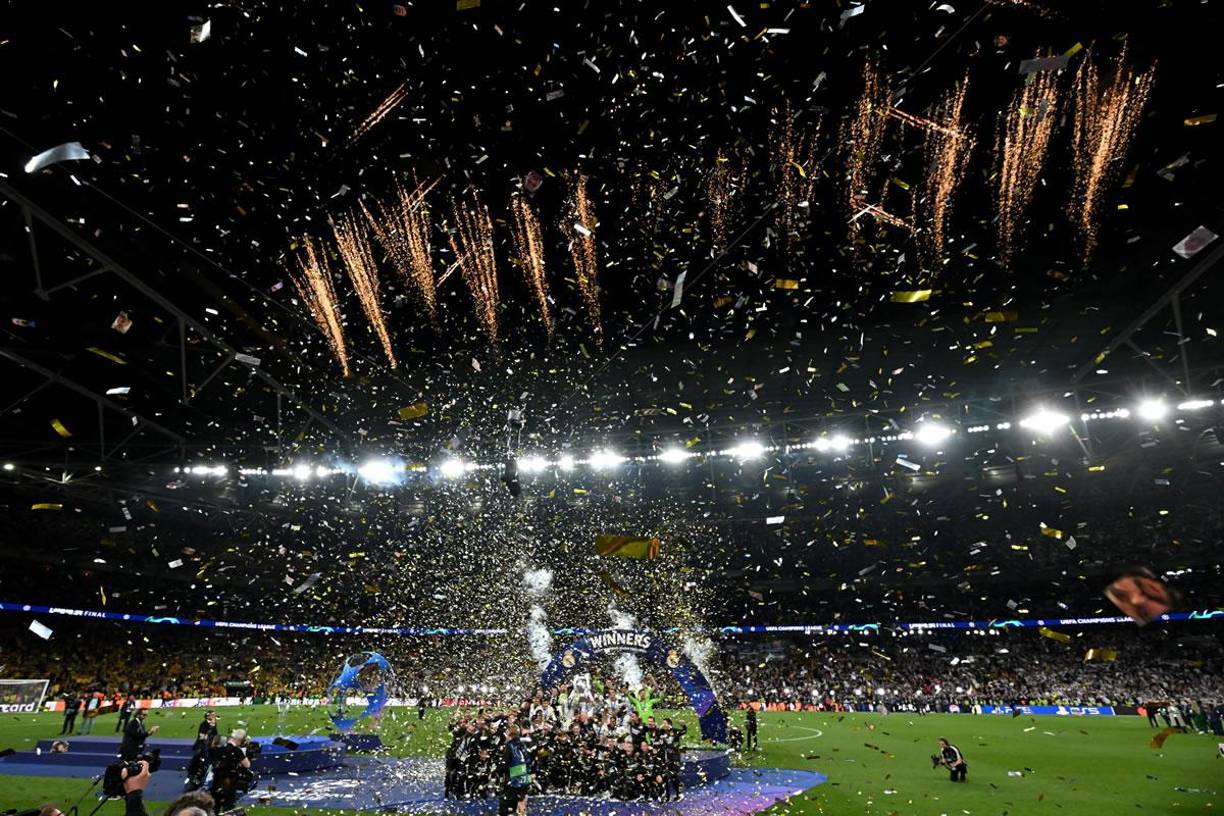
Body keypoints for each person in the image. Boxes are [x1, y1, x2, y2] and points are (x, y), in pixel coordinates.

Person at [208, 728, 254, 812]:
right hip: (230, 781)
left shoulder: (219, 748)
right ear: (240, 740)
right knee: (228, 806)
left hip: (217, 780)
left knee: (215, 806)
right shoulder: (237, 751)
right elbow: (247, 765)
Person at [498, 725, 531, 816]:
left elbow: (505, 765)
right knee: (521, 801)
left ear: (510, 735)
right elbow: (529, 760)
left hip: (515, 779)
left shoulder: (510, 746)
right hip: (525, 778)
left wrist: (497, 771)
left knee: (508, 805)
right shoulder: (522, 745)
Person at [186, 711, 218, 790]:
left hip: (209, 745)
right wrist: (211, 730)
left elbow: (216, 734)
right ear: (207, 716)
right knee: (197, 755)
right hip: (201, 744)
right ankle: (191, 771)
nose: (214, 716)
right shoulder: (203, 724)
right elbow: (201, 736)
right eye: (212, 715)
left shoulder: (214, 724)